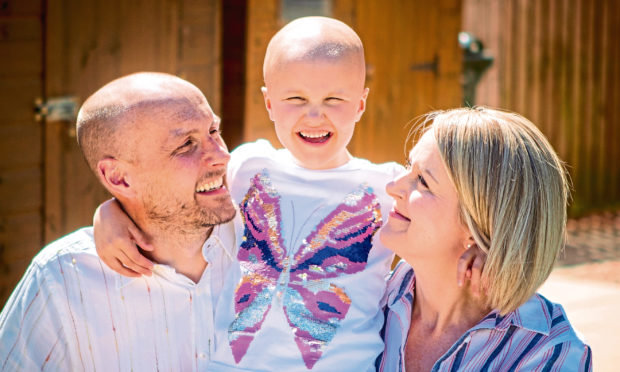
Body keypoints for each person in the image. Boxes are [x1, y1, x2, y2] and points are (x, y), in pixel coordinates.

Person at [94, 17, 484, 371]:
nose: (314, 115)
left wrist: (482, 250)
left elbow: (450, 223)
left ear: (361, 103)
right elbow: (179, 198)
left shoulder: (387, 187)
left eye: (334, 100)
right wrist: (108, 213)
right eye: (296, 100)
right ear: (269, 103)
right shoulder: (248, 166)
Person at [0, 72, 237, 371]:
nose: (222, 155)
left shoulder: (272, 235)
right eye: (187, 144)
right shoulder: (61, 279)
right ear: (119, 178)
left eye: (214, 131)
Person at [376, 107, 592, 371]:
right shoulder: (366, 296)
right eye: (409, 166)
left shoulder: (548, 352)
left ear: (479, 223)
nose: (391, 187)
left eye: (422, 181)